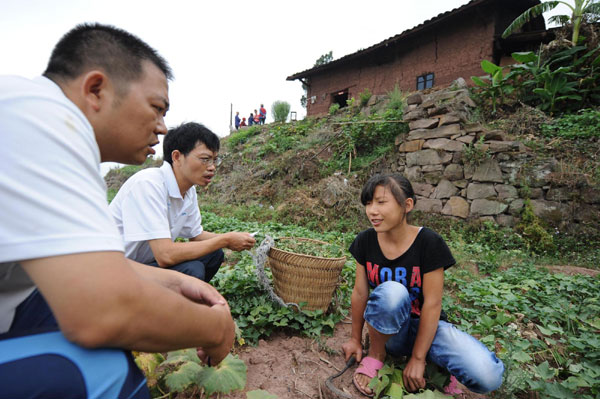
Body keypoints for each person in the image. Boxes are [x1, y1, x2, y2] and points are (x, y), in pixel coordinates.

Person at [0, 23, 235, 398]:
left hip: (21, 303)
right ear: (96, 89)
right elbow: (101, 310)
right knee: (105, 370)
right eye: (157, 108)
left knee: (183, 275)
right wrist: (217, 329)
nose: (162, 128)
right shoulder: (41, 121)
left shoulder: (40, 120)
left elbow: (76, 265)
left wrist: (174, 282)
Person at [342, 174, 504, 397]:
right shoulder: (365, 241)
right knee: (393, 292)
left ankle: (428, 360)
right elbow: (360, 293)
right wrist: (354, 339)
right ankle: (376, 356)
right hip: (392, 334)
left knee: (488, 375)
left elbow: (433, 304)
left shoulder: (429, 243)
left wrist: (418, 358)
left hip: (427, 328)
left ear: (407, 205)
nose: (372, 210)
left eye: (381, 202)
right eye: (368, 203)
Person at [109, 122, 256, 282]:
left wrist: (232, 238)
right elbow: (165, 255)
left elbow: (196, 235)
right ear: (177, 157)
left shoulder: (188, 191)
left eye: (214, 160)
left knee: (214, 255)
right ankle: (170, 305)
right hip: (117, 272)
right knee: (191, 270)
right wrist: (225, 239)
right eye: (205, 159)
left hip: (145, 265)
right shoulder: (149, 184)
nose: (212, 167)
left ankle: (183, 300)